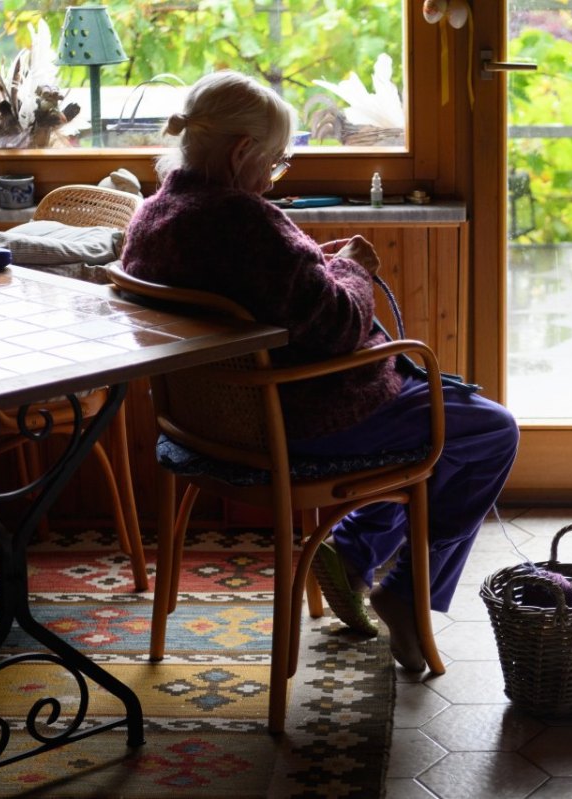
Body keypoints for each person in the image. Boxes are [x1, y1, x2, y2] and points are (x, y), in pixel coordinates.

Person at [121, 71, 519, 671]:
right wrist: (354, 268)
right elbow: (337, 326)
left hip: (203, 427)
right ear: (240, 153)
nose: (276, 177)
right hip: (302, 420)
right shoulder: (244, 223)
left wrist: (317, 273)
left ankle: (354, 552)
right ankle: (404, 593)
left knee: (423, 434)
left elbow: (269, 295)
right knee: (487, 431)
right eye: (276, 163)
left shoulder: (152, 219)